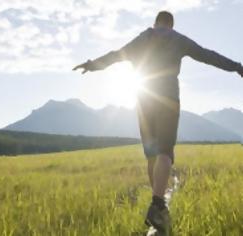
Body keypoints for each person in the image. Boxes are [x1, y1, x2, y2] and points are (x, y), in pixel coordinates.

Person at [73, 11, 243, 233]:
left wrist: (92, 64)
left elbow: (116, 55)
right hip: (168, 100)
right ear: (171, 25)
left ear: (156, 23)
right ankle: (157, 205)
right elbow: (208, 55)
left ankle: (159, 207)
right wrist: (237, 67)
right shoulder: (177, 39)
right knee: (165, 152)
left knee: (152, 155)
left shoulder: (143, 38)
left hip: (144, 101)